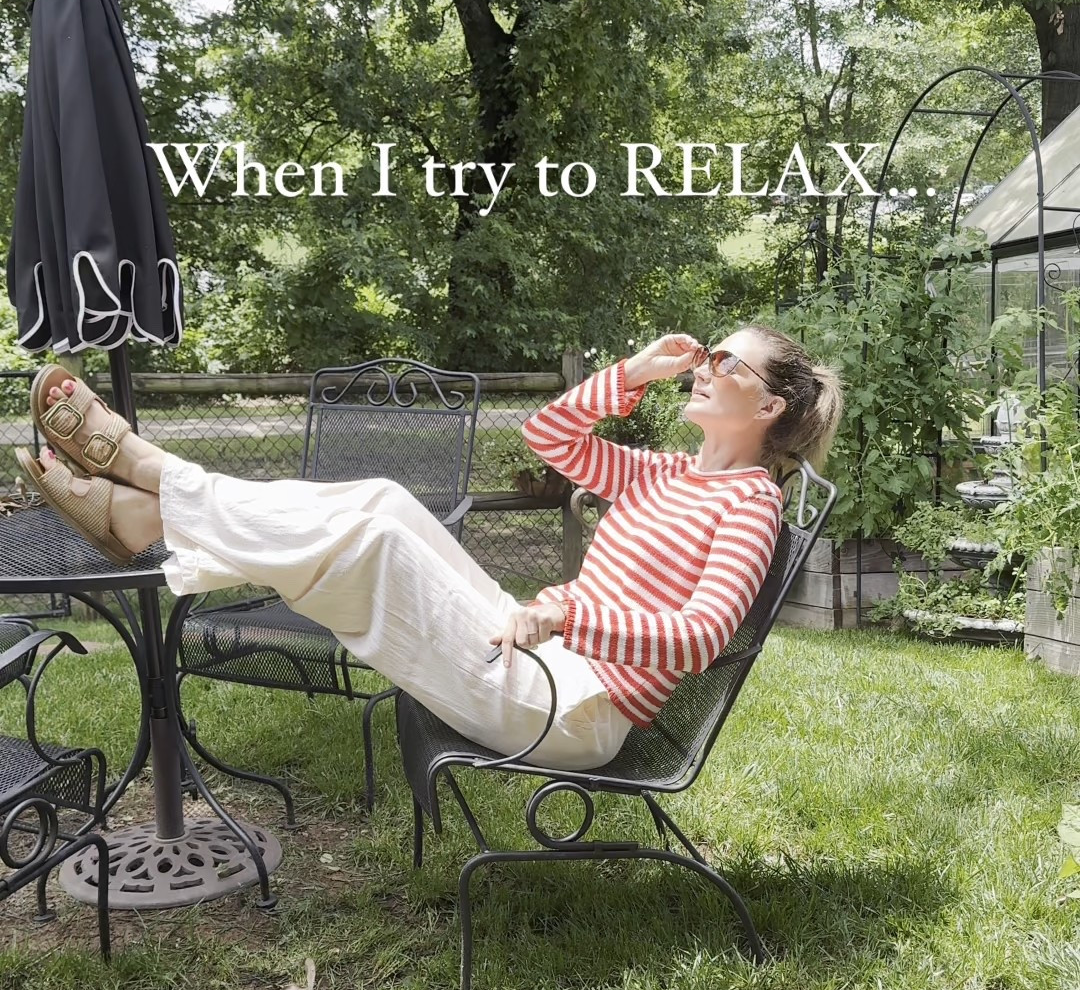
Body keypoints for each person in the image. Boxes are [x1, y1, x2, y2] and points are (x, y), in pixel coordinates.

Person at [16, 326, 844, 773]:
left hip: (577, 708)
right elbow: (547, 433)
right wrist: (631, 371)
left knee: (372, 541)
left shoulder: (748, 504)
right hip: (544, 661)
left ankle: (147, 487)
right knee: (384, 500)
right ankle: (150, 509)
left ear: (767, 407)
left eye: (728, 359)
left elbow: (701, 637)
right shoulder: (662, 472)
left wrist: (569, 614)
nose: (709, 362)